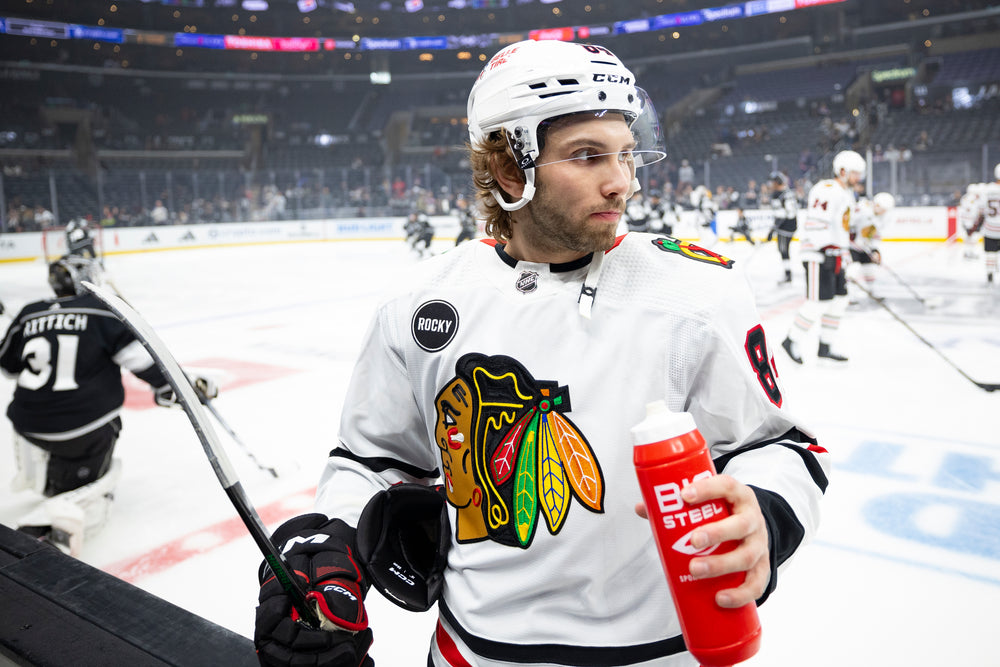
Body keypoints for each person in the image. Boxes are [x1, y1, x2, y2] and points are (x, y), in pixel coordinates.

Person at [252, 39, 829, 667]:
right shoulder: (420, 302)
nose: (623, 180)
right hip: (471, 655)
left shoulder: (698, 290)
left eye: (627, 153)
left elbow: (778, 446)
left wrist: (765, 514)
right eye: (588, 156)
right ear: (508, 169)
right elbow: (374, 460)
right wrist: (332, 546)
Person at [0, 257, 217, 556]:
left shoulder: (28, 312)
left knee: (56, 453)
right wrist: (179, 388)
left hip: (26, 427)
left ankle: (54, 483)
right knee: (97, 488)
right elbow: (146, 364)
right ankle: (57, 526)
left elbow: (8, 367)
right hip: (84, 430)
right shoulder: (104, 312)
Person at [781, 150, 865, 364]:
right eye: (855, 173)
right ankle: (791, 340)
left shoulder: (846, 194)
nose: (859, 178)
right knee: (819, 301)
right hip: (818, 255)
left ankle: (825, 346)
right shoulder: (827, 189)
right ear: (843, 171)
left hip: (835, 255)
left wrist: (856, 253)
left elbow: (843, 229)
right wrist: (826, 248)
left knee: (840, 300)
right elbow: (817, 222)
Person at [849, 192, 894, 299]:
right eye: (882, 208)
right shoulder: (862, 208)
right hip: (851, 246)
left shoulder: (884, 217)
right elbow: (849, 222)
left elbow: (876, 235)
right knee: (853, 269)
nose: (883, 212)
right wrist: (852, 234)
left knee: (869, 269)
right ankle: (850, 296)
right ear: (876, 204)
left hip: (866, 247)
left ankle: (872, 292)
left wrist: (874, 250)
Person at [766, 171, 800, 285]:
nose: (770, 185)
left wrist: (773, 229)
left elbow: (783, 215)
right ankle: (788, 274)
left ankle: (788, 274)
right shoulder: (787, 193)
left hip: (785, 227)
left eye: (772, 182)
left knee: (783, 250)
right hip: (791, 225)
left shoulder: (779, 195)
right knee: (783, 250)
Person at [968, 164, 1000, 283]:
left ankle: (990, 272)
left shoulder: (987, 190)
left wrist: (975, 226)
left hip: (990, 228)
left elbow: (981, 210)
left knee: (990, 253)